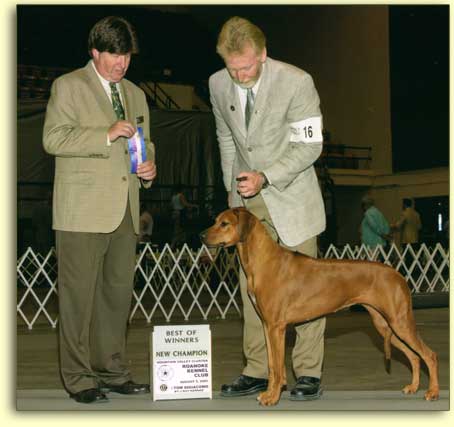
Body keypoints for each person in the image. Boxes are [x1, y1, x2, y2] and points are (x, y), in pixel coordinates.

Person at [209, 16, 326, 401]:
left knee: (308, 288)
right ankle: (257, 371)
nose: (239, 75)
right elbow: (226, 138)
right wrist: (234, 196)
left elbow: (310, 147)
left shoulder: (297, 82)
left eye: (246, 67)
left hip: (291, 193)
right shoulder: (216, 83)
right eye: (232, 67)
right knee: (252, 289)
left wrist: (267, 175)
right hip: (248, 199)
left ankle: (307, 373)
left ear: (263, 54)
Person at [43, 16, 157, 404]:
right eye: (113, 54)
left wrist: (148, 168)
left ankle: (112, 370)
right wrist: (105, 135)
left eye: (126, 55)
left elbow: (145, 143)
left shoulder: (137, 95)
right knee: (77, 299)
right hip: (81, 213)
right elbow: (53, 138)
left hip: (125, 211)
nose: (120, 63)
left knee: (116, 297)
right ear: (94, 52)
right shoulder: (68, 86)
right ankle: (78, 378)